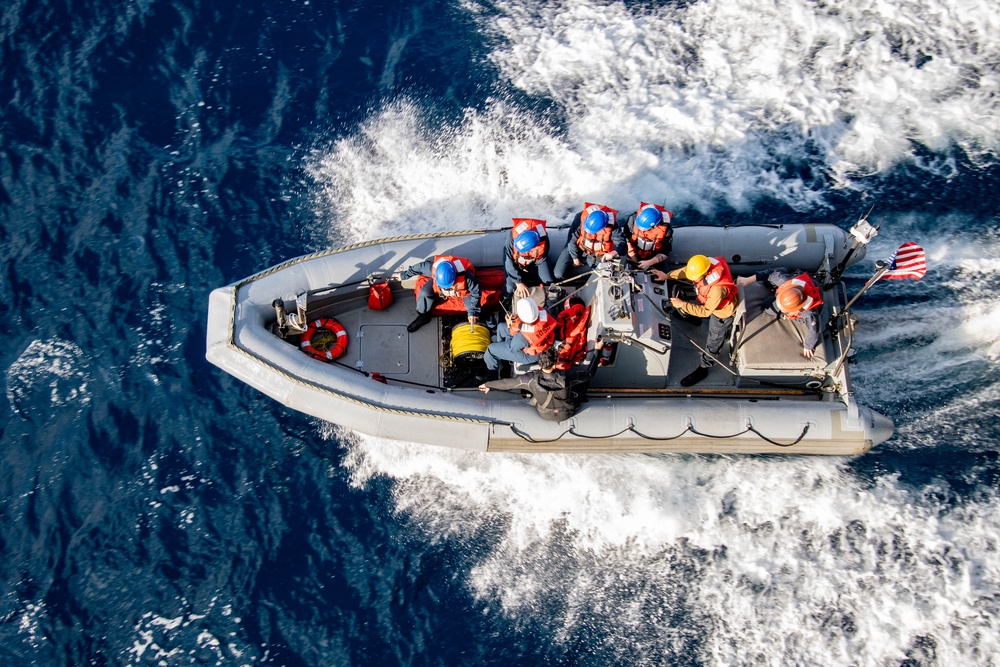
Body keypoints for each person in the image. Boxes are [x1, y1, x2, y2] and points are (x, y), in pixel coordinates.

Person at [652, 254, 738, 387]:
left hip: (722, 311)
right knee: (689, 308)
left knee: (714, 340)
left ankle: (705, 367)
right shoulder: (704, 265)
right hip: (710, 303)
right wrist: (667, 276)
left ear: (704, 274)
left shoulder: (717, 290)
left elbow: (705, 312)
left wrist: (682, 305)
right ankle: (693, 319)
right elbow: (686, 271)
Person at [479, 339, 605, 421]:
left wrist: (489, 385)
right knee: (583, 382)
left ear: (539, 363)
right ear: (555, 364)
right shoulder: (568, 377)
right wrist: (597, 350)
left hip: (543, 413)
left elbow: (508, 383)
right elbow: (590, 373)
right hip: (567, 413)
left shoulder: (529, 379)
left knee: (530, 393)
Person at [737, 269, 824, 359]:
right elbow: (770, 274)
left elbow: (814, 330)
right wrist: (747, 280)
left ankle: (788, 316)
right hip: (800, 281)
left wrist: (808, 346)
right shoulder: (785, 281)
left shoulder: (809, 312)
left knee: (768, 307)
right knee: (767, 283)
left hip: (813, 292)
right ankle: (777, 292)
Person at [399, 255, 481, 332]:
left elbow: (476, 291)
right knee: (424, 293)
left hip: (462, 291)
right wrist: (403, 275)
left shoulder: (467, 276)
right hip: (439, 286)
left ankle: (474, 318)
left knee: (472, 310)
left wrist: (473, 312)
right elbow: (418, 267)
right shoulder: (433, 268)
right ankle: (423, 317)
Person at [553, 202, 626, 280]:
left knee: (604, 275)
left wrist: (613, 253)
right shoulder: (580, 217)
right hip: (578, 247)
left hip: (596, 254)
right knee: (558, 274)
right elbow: (571, 240)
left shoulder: (612, 226)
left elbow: (622, 245)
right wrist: (575, 258)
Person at [483, 298, 558, 372]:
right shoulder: (544, 312)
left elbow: (513, 348)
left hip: (532, 355)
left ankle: (493, 369)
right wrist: (517, 319)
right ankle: (501, 353)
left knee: (490, 350)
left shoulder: (521, 338)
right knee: (501, 327)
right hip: (543, 343)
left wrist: (509, 325)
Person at [504, 218, 555, 300]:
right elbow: (508, 261)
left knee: (548, 280)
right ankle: (506, 300)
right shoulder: (512, 237)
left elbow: (542, 257)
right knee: (509, 288)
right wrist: (518, 282)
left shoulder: (544, 240)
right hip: (514, 260)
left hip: (535, 259)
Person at [624, 202, 673, 270]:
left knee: (663, 276)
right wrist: (635, 261)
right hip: (634, 254)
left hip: (653, 257)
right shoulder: (632, 219)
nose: (643, 231)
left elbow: (665, 252)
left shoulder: (666, 229)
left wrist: (649, 263)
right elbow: (627, 239)